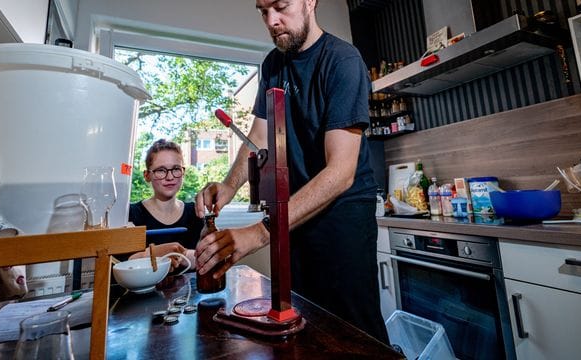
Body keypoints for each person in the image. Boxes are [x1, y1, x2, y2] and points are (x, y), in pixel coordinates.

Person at [195, 0, 388, 343]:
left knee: (352, 331)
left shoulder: (342, 61)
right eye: (262, 11)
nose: (272, 20)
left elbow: (341, 173)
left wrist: (259, 233)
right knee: (304, 321)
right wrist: (228, 186)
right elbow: (258, 136)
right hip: (292, 216)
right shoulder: (273, 64)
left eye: (281, 6)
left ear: (310, 1)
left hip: (341, 220)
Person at [128, 139, 203, 270]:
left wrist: (180, 255)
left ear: (183, 172)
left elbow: (209, 258)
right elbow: (123, 263)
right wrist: (151, 254)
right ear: (147, 176)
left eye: (176, 169)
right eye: (161, 170)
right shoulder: (132, 214)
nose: (169, 177)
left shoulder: (195, 212)